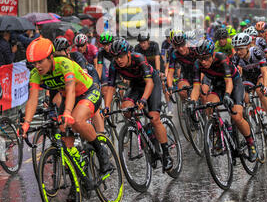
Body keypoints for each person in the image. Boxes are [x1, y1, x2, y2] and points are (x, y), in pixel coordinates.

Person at [21, 37, 113, 176]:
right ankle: (80, 179)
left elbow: (70, 89)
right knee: (64, 138)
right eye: (34, 63)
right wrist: (26, 123)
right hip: (68, 96)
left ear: (51, 57)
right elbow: (32, 98)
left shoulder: (64, 64)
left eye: (40, 62)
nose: (37, 66)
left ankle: (101, 152)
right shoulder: (35, 74)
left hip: (87, 91)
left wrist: (68, 112)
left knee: (76, 120)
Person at [104, 37, 173, 171]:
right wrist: (106, 107)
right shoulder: (114, 65)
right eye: (116, 57)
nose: (119, 59)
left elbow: (149, 83)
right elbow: (110, 88)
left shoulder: (139, 58)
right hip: (136, 85)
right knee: (125, 108)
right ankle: (146, 134)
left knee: (154, 117)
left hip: (151, 83)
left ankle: (166, 154)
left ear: (128, 54)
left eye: (121, 56)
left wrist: (143, 100)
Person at [191, 38, 257, 162]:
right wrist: (192, 102)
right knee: (209, 104)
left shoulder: (222, 58)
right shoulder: (197, 64)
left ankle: (251, 144)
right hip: (218, 85)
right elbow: (196, 87)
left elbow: (229, 82)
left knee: (237, 117)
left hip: (234, 83)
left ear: (212, 54)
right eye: (200, 59)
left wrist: (227, 95)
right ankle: (218, 133)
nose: (203, 62)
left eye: (206, 58)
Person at [232, 33, 267, 134]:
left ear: (248, 46)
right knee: (246, 98)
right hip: (248, 77)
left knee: (260, 91)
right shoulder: (236, 58)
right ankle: (256, 120)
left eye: (241, 49)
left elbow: (265, 71)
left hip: (260, 73)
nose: (238, 52)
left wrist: (265, 86)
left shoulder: (257, 51)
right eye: (236, 49)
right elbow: (234, 77)